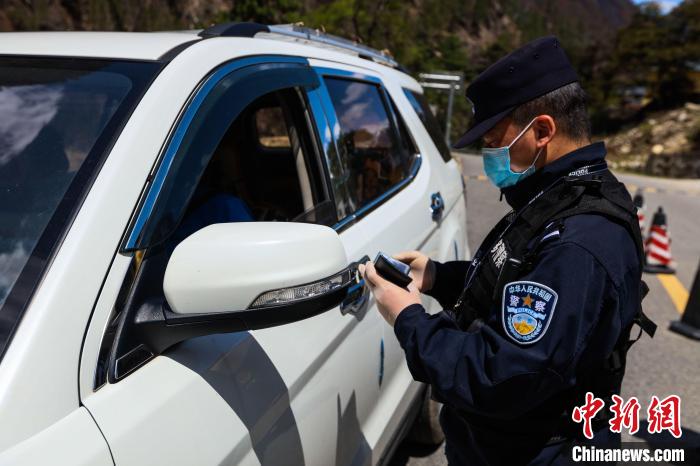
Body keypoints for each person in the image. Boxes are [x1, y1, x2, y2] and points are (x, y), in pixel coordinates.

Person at [358, 35, 655, 465]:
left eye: (495, 139)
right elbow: (520, 281)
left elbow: (496, 376)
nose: (488, 154)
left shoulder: (579, 242)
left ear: (542, 131)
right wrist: (439, 276)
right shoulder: (556, 194)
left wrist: (408, 317)